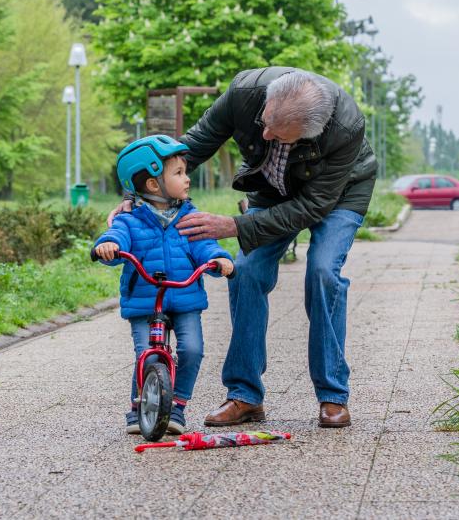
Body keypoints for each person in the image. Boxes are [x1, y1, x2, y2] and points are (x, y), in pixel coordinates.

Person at [109, 67, 378, 428]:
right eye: (265, 124)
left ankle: (332, 396)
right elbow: (189, 148)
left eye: (278, 135)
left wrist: (235, 225)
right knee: (247, 270)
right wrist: (137, 196)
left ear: (309, 133)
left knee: (323, 272)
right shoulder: (244, 93)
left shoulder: (345, 127)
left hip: (339, 194)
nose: (265, 134)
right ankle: (245, 395)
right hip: (271, 189)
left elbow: (312, 207)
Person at [94, 134, 234, 435]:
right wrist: (108, 245)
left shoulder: (190, 217)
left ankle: (178, 407)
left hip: (184, 297)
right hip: (145, 300)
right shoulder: (129, 219)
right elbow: (116, 237)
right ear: (153, 184)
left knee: (193, 349)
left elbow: (204, 246)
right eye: (179, 173)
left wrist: (219, 259)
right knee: (147, 353)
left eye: (185, 172)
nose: (187, 179)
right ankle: (138, 407)